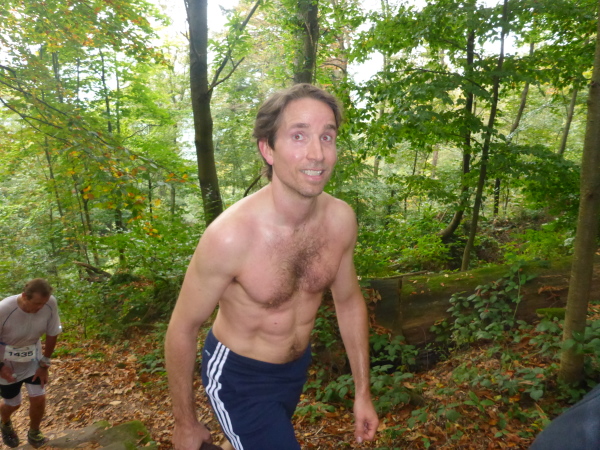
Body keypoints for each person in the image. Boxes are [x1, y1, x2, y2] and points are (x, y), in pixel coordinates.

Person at [165, 83, 379, 450]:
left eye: (327, 137)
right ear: (268, 149)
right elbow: (182, 328)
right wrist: (185, 423)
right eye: (298, 136)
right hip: (238, 377)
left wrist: (363, 392)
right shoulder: (230, 236)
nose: (317, 153)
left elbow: (348, 303)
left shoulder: (340, 221)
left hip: (294, 371)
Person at [0, 278, 62, 448]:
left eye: (44, 303)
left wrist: (45, 363)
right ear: (24, 296)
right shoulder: (4, 309)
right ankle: (5, 422)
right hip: (6, 361)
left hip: (33, 357)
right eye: (37, 303)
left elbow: (52, 332)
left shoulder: (50, 303)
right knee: (13, 403)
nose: (40, 307)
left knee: (39, 398)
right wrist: (0, 367)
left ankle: (34, 433)